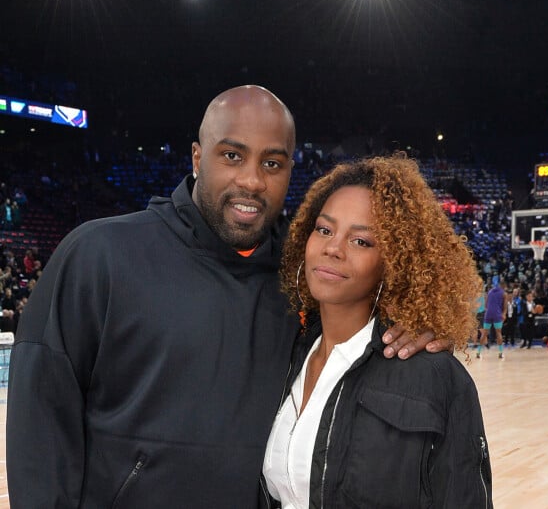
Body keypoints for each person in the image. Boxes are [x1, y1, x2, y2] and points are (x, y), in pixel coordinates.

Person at [7, 85, 447, 508]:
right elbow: (41, 428)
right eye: (233, 156)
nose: (252, 181)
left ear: (290, 172)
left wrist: (414, 322)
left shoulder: (303, 282)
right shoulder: (99, 256)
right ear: (198, 158)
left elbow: (364, 326)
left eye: (273, 163)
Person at [262, 155, 492, 508]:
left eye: (361, 242)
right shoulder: (285, 354)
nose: (333, 248)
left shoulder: (435, 376)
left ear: (395, 264)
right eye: (324, 230)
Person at [477, 280, 507, 359]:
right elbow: (505, 306)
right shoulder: (503, 293)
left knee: (484, 333)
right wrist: (503, 314)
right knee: (498, 333)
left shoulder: (489, 292)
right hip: (497, 314)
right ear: (503, 286)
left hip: (488, 314)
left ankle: (478, 352)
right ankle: (500, 353)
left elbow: (486, 305)